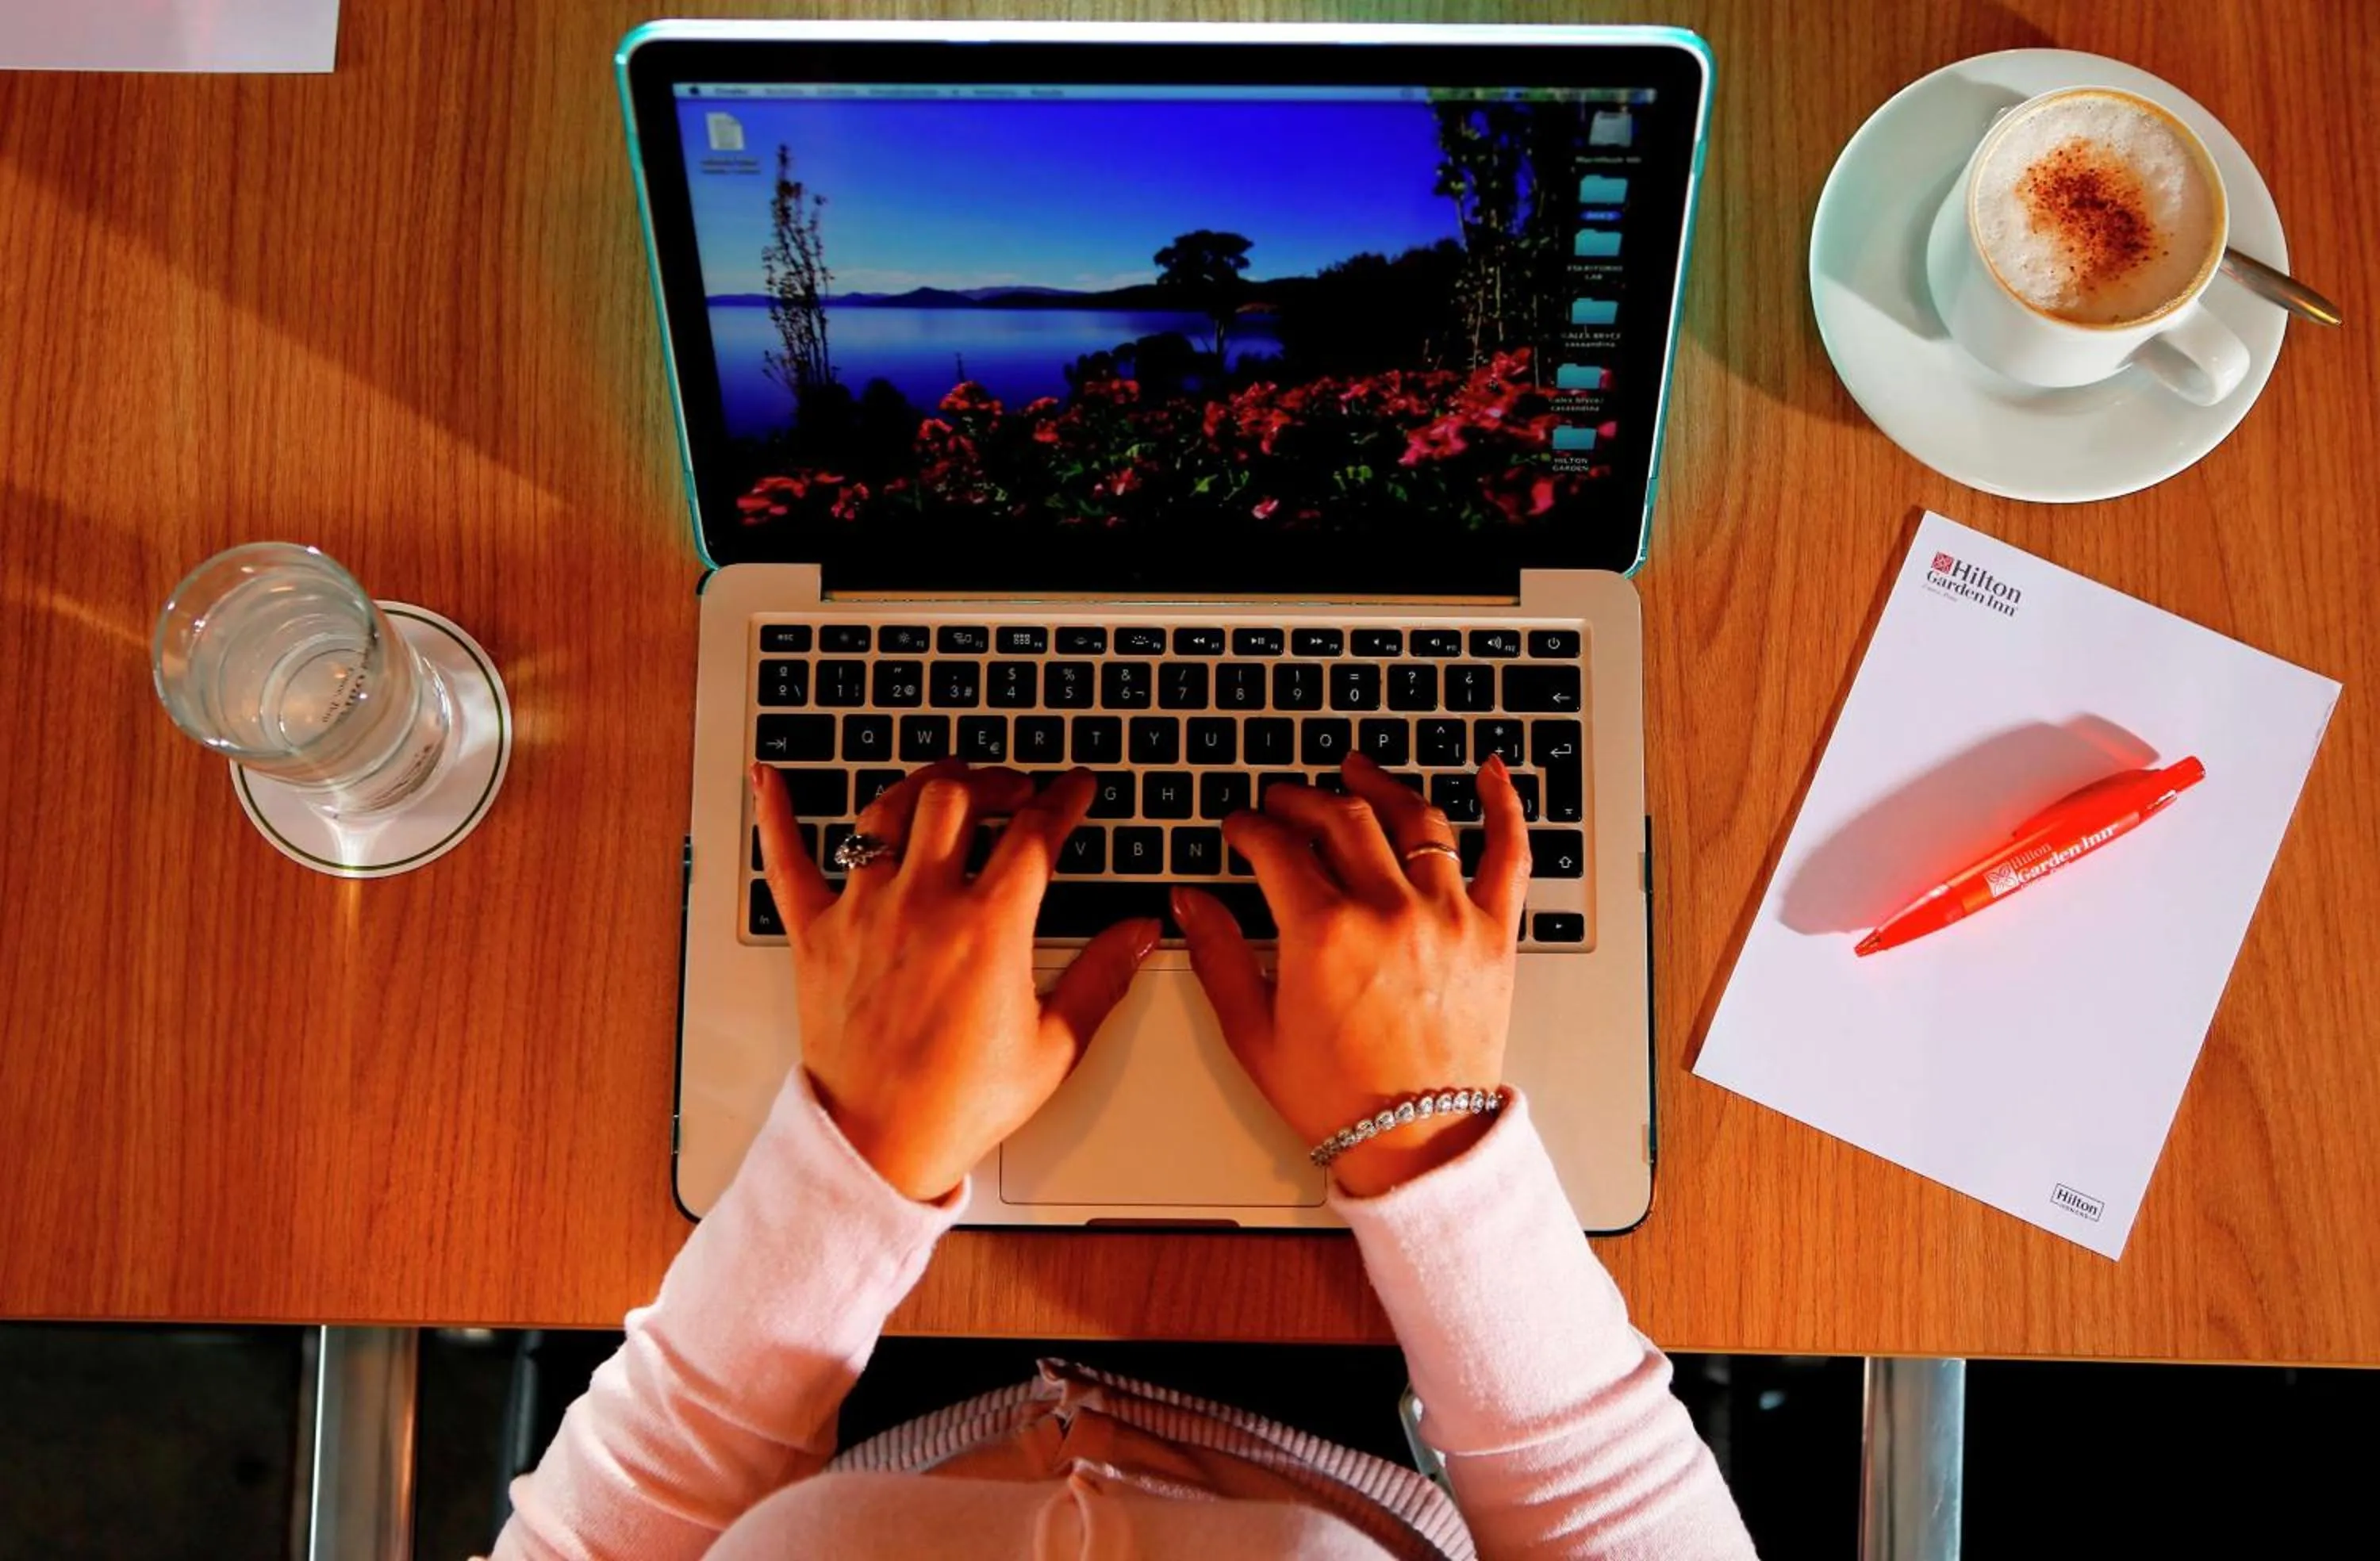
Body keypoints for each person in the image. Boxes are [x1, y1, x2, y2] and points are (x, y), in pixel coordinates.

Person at [494, 755, 1754, 1559]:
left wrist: (856, 1153)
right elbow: (1601, 1501)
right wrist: (1424, 1131)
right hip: (1348, 1441)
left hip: (874, 1408)